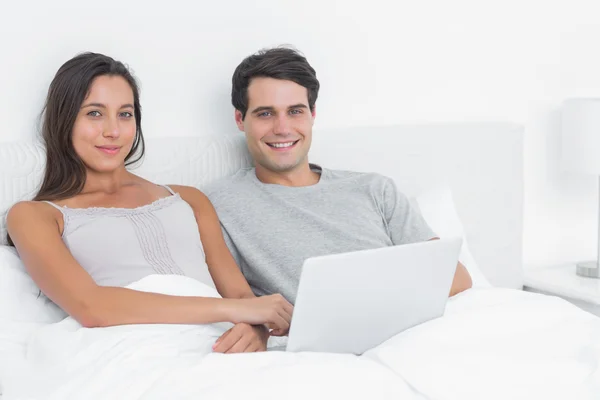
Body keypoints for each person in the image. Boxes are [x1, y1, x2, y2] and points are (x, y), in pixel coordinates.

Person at [6, 52, 293, 354]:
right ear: (64, 120)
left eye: (125, 114)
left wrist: (257, 329)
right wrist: (234, 311)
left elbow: (241, 297)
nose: (113, 131)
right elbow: (92, 307)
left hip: (219, 347)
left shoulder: (189, 200)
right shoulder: (35, 216)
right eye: (94, 113)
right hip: (133, 348)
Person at [205, 47, 473, 351]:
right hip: (323, 352)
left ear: (312, 114)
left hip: (413, 336)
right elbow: (237, 299)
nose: (282, 128)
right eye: (265, 113)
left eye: (295, 111)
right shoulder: (217, 204)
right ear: (240, 120)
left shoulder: (374, 189)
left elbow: (456, 277)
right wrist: (259, 327)